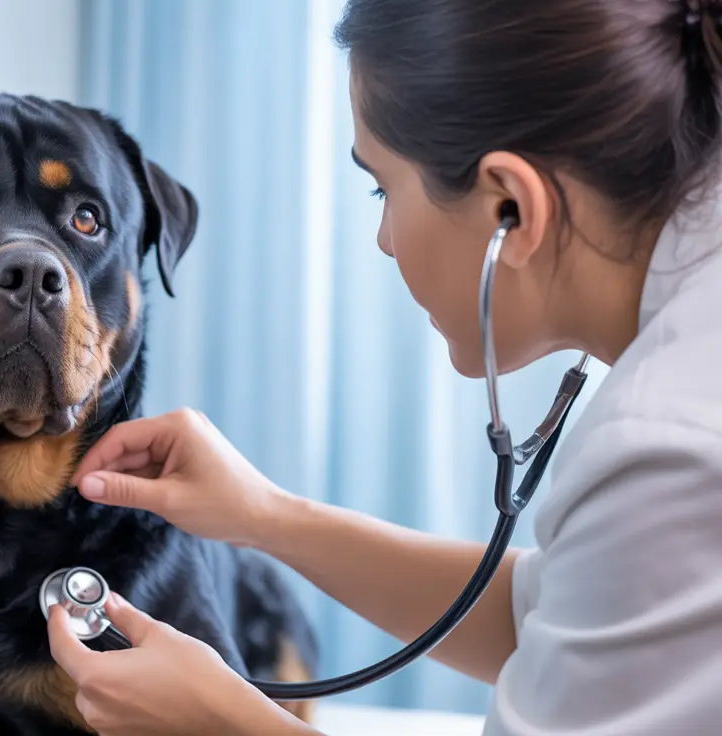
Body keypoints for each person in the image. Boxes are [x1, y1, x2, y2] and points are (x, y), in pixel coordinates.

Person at [45, 0, 722, 734]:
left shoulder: (672, 448)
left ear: (510, 210)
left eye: (382, 188)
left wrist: (228, 723)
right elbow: (558, 618)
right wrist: (264, 516)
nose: (385, 240)